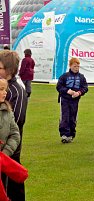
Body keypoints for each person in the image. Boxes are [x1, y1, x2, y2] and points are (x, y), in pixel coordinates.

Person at [0, 50, 27, 201]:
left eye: (0, 68)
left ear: (9, 70)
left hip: (10, 154)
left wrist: (5, 153)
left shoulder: (17, 91)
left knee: (12, 192)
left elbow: (14, 124)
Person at [56, 58, 88, 143]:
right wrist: (67, 91)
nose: (76, 68)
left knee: (73, 117)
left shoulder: (81, 77)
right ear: (70, 66)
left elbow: (85, 87)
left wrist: (79, 92)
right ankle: (64, 134)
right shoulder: (64, 76)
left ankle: (71, 134)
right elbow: (59, 86)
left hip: (75, 101)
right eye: (74, 66)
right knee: (65, 116)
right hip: (65, 100)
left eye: (78, 66)